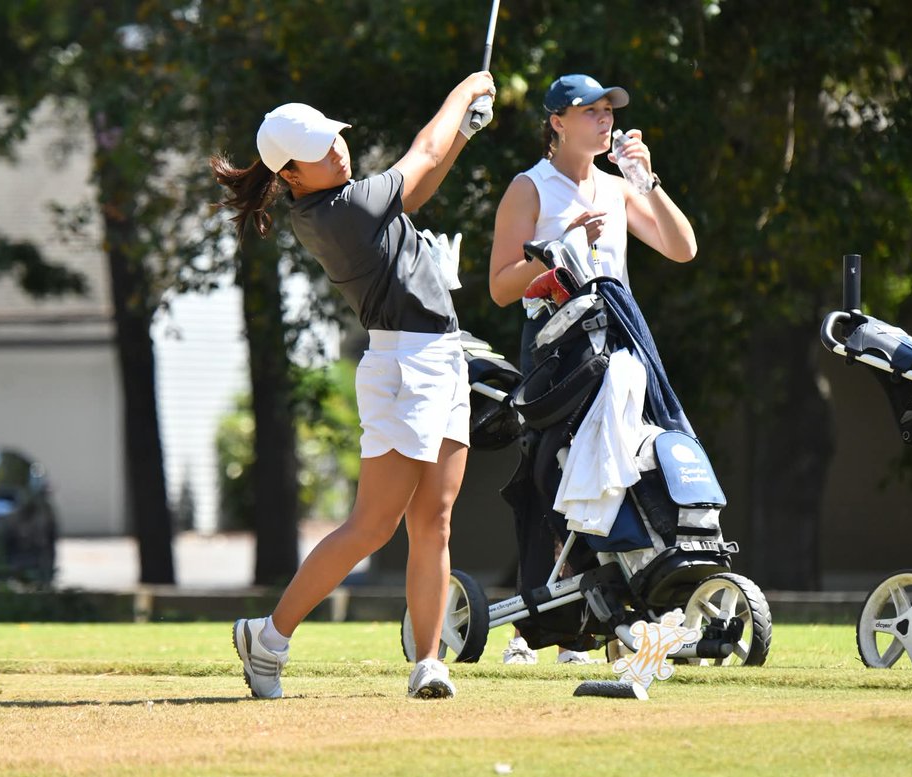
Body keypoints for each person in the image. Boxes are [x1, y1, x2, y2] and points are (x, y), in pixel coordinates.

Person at [211, 71, 497, 700]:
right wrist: (463, 92)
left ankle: (429, 662)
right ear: (292, 175)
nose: (337, 149)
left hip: (441, 357)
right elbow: (421, 155)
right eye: (319, 151)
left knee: (436, 522)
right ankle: (269, 638)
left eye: (332, 139)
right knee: (372, 526)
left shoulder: (344, 202)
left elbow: (416, 191)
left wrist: (464, 138)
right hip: (405, 366)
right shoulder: (341, 210)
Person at [488, 73, 697, 666]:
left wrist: (646, 183)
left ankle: (615, 619)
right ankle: (544, 628)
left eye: (609, 111)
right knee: (561, 477)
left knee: (626, 472)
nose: (604, 120)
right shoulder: (531, 188)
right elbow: (502, 288)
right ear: (556, 121)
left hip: (620, 349)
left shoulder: (615, 186)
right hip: (557, 352)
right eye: (590, 112)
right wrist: (556, 249)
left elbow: (682, 248)